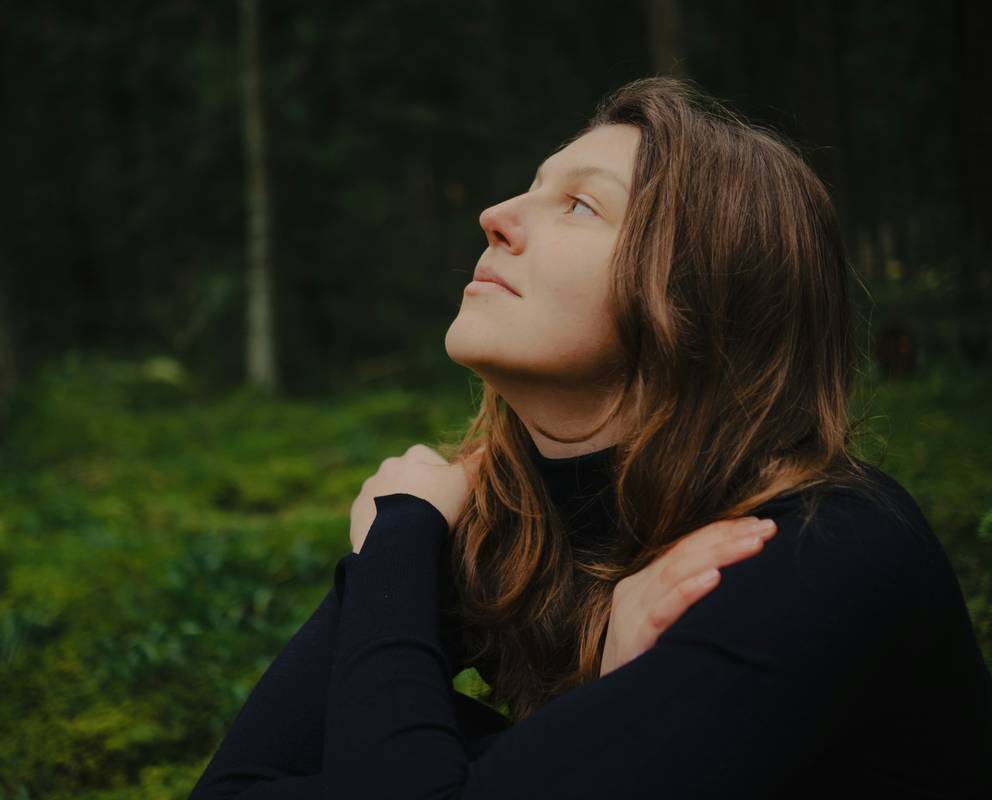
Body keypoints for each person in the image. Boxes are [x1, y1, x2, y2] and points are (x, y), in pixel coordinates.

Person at [190, 76, 992, 798]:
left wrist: (396, 539)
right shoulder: (503, 518)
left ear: (698, 297)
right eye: (532, 189)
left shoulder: (815, 551)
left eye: (580, 204)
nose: (496, 216)